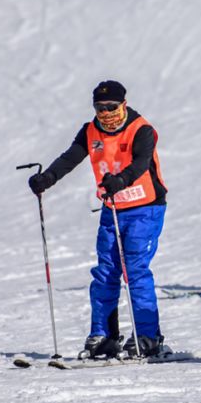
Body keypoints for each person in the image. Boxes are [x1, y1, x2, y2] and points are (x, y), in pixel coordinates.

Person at [28, 80, 170, 358]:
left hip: (145, 208)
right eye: (99, 107)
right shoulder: (90, 130)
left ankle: (147, 335)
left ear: (123, 104)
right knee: (105, 272)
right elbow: (71, 157)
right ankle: (104, 334)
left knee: (135, 270)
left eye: (111, 107)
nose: (105, 113)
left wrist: (121, 180)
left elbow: (141, 164)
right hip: (112, 209)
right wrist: (48, 178)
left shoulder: (142, 130)